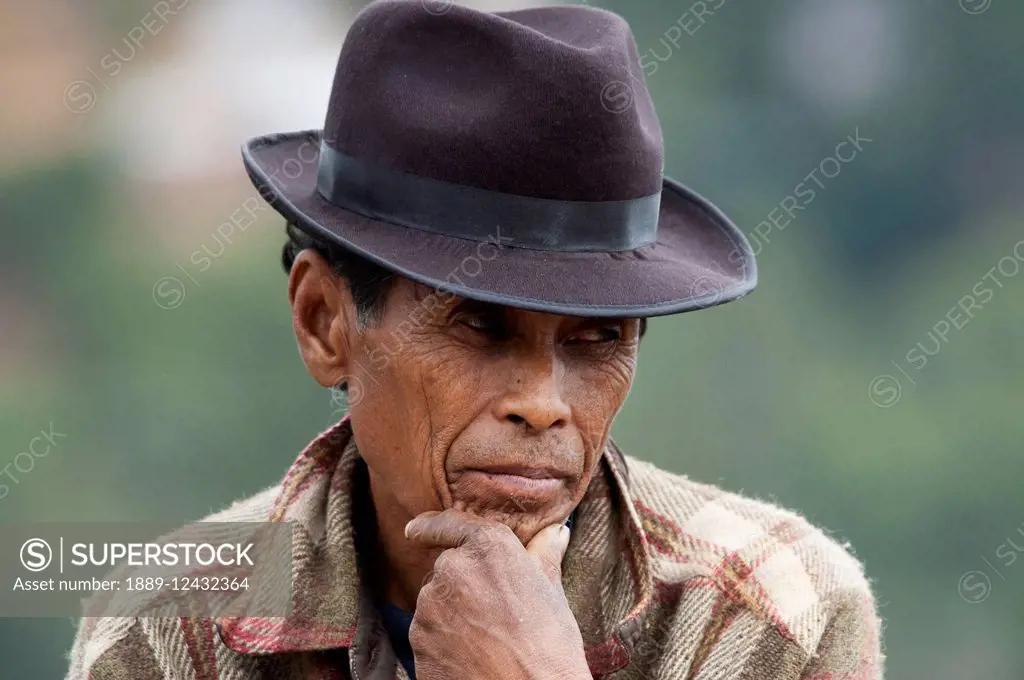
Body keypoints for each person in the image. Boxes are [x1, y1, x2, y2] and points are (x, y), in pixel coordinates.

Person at [67, 1, 883, 678]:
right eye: (480, 326)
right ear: (324, 322)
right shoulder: (170, 629)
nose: (543, 404)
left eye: (597, 339)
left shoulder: (770, 619)